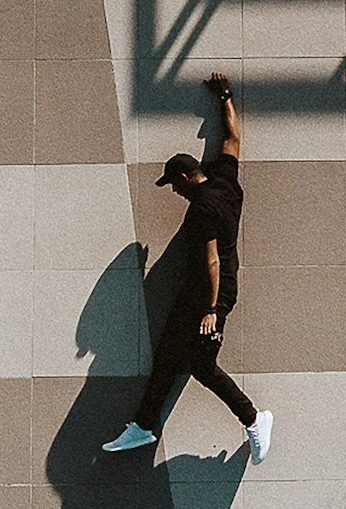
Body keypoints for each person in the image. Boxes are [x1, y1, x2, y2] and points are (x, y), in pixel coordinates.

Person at [103, 73, 274, 464]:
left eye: (173, 186)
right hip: (196, 293)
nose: (174, 192)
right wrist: (224, 97)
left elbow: (212, 260)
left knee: (201, 365)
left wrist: (212, 311)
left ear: (184, 178)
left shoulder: (200, 209)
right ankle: (143, 428)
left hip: (213, 295)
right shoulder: (224, 180)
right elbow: (232, 139)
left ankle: (253, 418)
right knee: (166, 355)